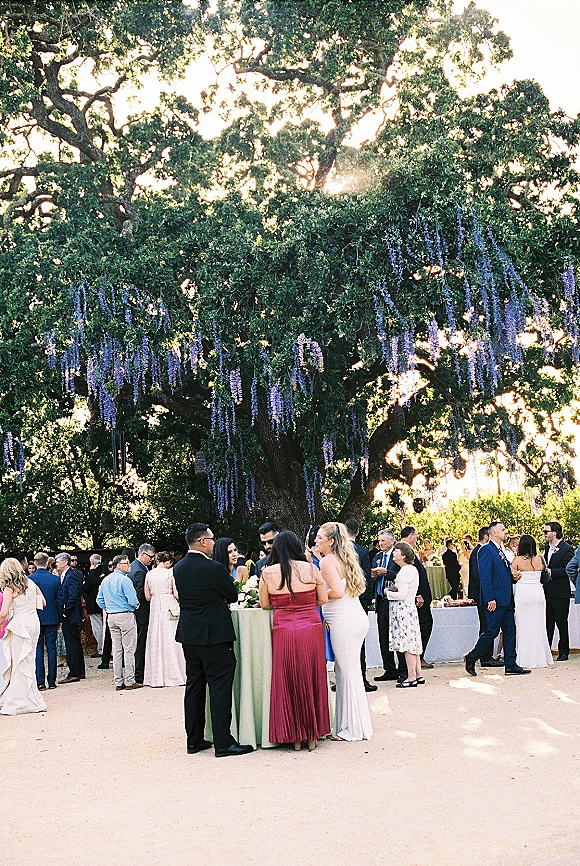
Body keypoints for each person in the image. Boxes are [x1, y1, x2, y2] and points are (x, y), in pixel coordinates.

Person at [173, 523, 254, 758]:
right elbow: (232, 594)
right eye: (211, 539)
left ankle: (194, 739)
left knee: (194, 686)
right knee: (220, 687)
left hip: (190, 634)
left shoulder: (179, 567)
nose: (213, 543)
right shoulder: (213, 568)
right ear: (202, 542)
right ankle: (223, 742)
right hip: (215, 635)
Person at [259, 530, 330, 750]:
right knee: (312, 674)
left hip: (283, 629)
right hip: (310, 627)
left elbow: (265, 604)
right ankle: (312, 735)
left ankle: (294, 736)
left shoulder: (268, 572)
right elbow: (322, 599)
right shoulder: (311, 568)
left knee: (287, 677)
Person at [318, 522, 373, 742]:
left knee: (348, 672)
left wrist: (315, 595)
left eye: (320, 537)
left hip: (344, 620)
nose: (316, 541)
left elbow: (337, 592)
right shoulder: (344, 559)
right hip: (352, 617)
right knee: (346, 671)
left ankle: (352, 728)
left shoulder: (327, 561)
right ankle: (347, 724)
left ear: (331, 541)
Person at [464, 520, 530, 677]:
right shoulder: (486, 550)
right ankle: (472, 657)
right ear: (494, 533)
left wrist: (512, 577)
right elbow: (484, 576)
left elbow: (500, 573)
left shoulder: (500, 550)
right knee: (492, 631)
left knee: (510, 630)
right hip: (495, 599)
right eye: (503, 529)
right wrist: (490, 598)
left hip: (506, 598)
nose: (506, 531)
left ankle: (511, 664)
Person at [0, 557, 47, 714]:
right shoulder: (30, 583)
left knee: (19, 662)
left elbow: (3, 613)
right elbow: (43, 602)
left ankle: (20, 701)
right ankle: (30, 698)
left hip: (20, 625)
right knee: (28, 660)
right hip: (33, 622)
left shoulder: (10, 588)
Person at [97, 554, 142, 691]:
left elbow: (99, 600)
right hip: (125, 614)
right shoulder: (125, 580)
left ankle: (118, 681)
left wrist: (109, 608)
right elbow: (132, 599)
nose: (129, 565)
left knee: (116, 649)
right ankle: (130, 680)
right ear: (118, 565)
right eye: (126, 563)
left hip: (111, 616)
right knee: (129, 649)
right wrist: (135, 606)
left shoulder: (106, 580)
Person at [143, 552, 186, 687]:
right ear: (168, 562)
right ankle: (176, 674)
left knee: (156, 638)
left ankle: (156, 677)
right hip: (169, 605)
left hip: (155, 607)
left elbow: (147, 596)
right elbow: (176, 593)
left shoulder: (149, 574)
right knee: (172, 640)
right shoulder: (170, 573)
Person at [344, 518, 377, 693]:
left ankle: (343, 680)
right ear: (357, 532)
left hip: (341, 601)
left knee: (342, 641)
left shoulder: (336, 550)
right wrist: (367, 600)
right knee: (359, 641)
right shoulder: (363, 551)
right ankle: (361, 679)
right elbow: (366, 579)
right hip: (358, 600)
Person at [511, 535, 553, 668]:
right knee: (539, 625)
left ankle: (525, 658)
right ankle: (542, 657)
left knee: (524, 626)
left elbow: (512, 576)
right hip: (537, 593)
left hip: (524, 594)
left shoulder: (517, 559)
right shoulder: (540, 559)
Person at [386, 542, 423, 687]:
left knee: (408, 644)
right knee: (412, 642)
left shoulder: (406, 571)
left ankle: (411, 676)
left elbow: (402, 594)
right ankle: (418, 674)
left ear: (403, 555)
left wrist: (387, 592)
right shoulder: (409, 569)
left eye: (396, 551)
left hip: (404, 611)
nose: (394, 553)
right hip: (408, 610)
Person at [372, 529, 404, 682]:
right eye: (379, 541)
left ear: (392, 541)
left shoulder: (398, 555)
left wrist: (386, 572)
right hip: (381, 601)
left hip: (394, 600)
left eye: (383, 541)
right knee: (383, 636)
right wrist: (373, 575)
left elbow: (402, 576)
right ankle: (389, 669)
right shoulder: (377, 557)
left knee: (397, 634)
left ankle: (403, 669)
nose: (380, 543)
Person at [400, 527, 434, 671]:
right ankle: (417, 658)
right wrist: (418, 594)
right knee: (424, 624)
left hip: (420, 597)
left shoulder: (408, 550)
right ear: (412, 536)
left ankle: (419, 657)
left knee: (424, 625)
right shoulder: (404, 551)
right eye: (416, 536)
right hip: (416, 598)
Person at [467, 527, 502, 669]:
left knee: (488, 625)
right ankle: (485, 656)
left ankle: (486, 655)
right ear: (487, 536)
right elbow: (480, 575)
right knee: (487, 626)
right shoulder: (480, 551)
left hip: (483, 594)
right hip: (482, 595)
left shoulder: (479, 550)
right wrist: (489, 595)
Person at [543, 521, 574, 661]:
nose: (544, 534)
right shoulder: (547, 548)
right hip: (547, 591)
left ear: (554, 533)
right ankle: (547, 649)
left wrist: (551, 572)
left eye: (546, 531)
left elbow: (568, 569)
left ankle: (563, 651)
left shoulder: (567, 548)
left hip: (561, 592)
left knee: (561, 622)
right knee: (548, 622)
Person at [33, 552, 62, 690]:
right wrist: (60, 617)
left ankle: (40, 681)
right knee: (51, 648)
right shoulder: (55, 579)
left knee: (38, 648)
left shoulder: (30, 579)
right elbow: (60, 600)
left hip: (36, 617)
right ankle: (51, 680)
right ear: (47, 563)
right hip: (51, 616)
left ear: (35, 563)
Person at [55, 551, 85, 684]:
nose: (56, 564)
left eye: (58, 562)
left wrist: (65, 612)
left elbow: (73, 596)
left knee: (71, 643)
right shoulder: (66, 575)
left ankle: (74, 673)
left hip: (70, 615)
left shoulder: (70, 576)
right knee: (75, 642)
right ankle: (79, 671)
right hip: (70, 614)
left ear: (65, 562)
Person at [129, 543, 155, 684]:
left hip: (139, 611)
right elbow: (140, 593)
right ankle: (139, 673)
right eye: (150, 556)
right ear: (143, 554)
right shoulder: (139, 570)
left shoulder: (135, 566)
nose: (152, 559)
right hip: (142, 611)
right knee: (141, 642)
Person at [83, 554, 107, 657]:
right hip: (104, 603)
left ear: (92, 562)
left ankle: (101, 649)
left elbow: (86, 587)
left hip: (93, 603)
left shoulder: (91, 573)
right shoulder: (104, 571)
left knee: (97, 627)